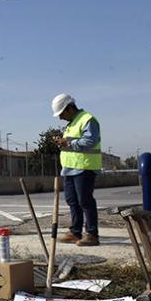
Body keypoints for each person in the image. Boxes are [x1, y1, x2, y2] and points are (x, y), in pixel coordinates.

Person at [52, 93, 101, 247]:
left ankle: (92, 234)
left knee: (85, 201)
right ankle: (75, 232)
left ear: (70, 108)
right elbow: (71, 143)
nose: (60, 118)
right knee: (72, 201)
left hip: (84, 167)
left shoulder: (87, 119)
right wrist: (63, 142)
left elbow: (90, 141)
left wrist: (67, 142)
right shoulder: (71, 123)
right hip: (70, 169)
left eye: (61, 114)